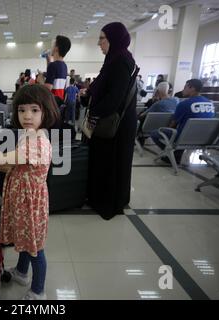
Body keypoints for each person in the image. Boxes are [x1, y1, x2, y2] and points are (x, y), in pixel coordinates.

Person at [0, 84, 58, 300]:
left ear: (46, 111)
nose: (27, 116)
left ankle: (38, 291)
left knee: (35, 247)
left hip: (30, 202)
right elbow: (14, 163)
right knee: (25, 239)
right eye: (22, 110)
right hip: (23, 199)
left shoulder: (36, 142)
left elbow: (2, 158)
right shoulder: (29, 135)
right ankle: (21, 272)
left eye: (35, 110)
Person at [84, 22, 137, 220]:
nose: (99, 43)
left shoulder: (121, 60)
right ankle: (98, 197)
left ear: (113, 39)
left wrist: (93, 112)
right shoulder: (113, 59)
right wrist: (88, 93)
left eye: (102, 38)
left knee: (111, 163)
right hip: (109, 121)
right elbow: (101, 85)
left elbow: (115, 97)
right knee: (102, 161)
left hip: (115, 125)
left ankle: (109, 203)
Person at [150, 79, 215, 164]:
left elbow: (173, 124)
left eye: (185, 87)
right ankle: (176, 153)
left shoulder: (184, 104)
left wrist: (164, 130)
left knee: (155, 133)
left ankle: (172, 153)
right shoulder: (210, 103)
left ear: (192, 88)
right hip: (204, 138)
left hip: (184, 138)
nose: (183, 90)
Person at [137, 82, 178, 146]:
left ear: (158, 91)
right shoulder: (176, 100)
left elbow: (142, 115)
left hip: (150, 128)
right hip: (167, 126)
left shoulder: (158, 104)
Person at [44, 35, 71, 100]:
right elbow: (54, 78)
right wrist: (48, 61)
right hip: (58, 102)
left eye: (53, 45)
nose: (51, 48)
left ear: (56, 48)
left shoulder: (53, 65)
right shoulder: (64, 66)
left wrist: (40, 80)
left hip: (51, 102)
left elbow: (47, 89)